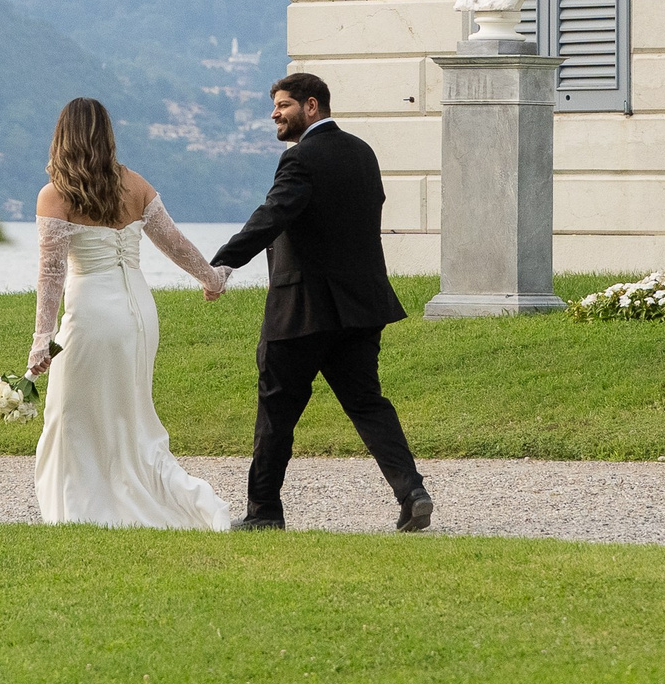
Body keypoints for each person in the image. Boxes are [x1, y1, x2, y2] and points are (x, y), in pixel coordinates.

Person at [210, 72, 431, 533]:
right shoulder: (362, 152)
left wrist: (223, 263)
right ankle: (413, 493)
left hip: (303, 310)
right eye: (274, 105)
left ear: (312, 106)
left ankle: (264, 512)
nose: (274, 113)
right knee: (368, 403)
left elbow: (274, 214)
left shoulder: (300, 159)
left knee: (276, 409)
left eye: (283, 105)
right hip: (361, 306)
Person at [28, 96, 235, 529]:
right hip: (139, 314)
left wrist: (40, 340)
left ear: (62, 135)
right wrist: (210, 278)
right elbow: (173, 242)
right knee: (131, 415)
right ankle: (162, 497)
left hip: (92, 316)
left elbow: (52, 274)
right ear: (107, 134)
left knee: (72, 414)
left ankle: (84, 508)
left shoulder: (56, 195)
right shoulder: (135, 184)